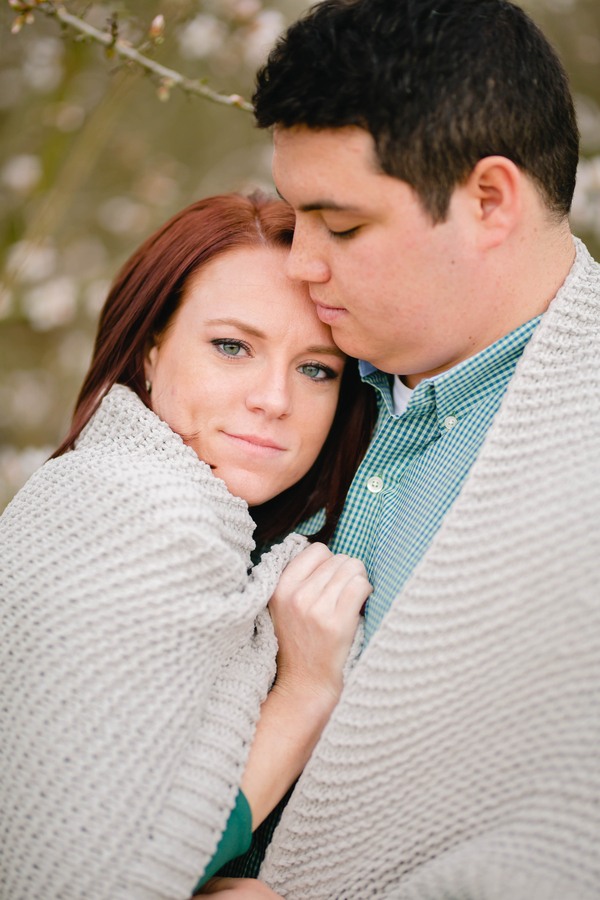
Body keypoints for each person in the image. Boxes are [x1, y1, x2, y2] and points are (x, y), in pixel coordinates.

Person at [202, 0, 600, 897]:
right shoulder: (290, 363)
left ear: (489, 200)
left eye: (340, 227)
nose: (301, 261)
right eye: (293, 214)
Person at [0, 192, 376, 900]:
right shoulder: (141, 508)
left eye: (316, 369)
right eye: (232, 346)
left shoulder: (105, 490)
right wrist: (304, 692)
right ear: (149, 349)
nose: (274, 398)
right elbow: (105, 874)